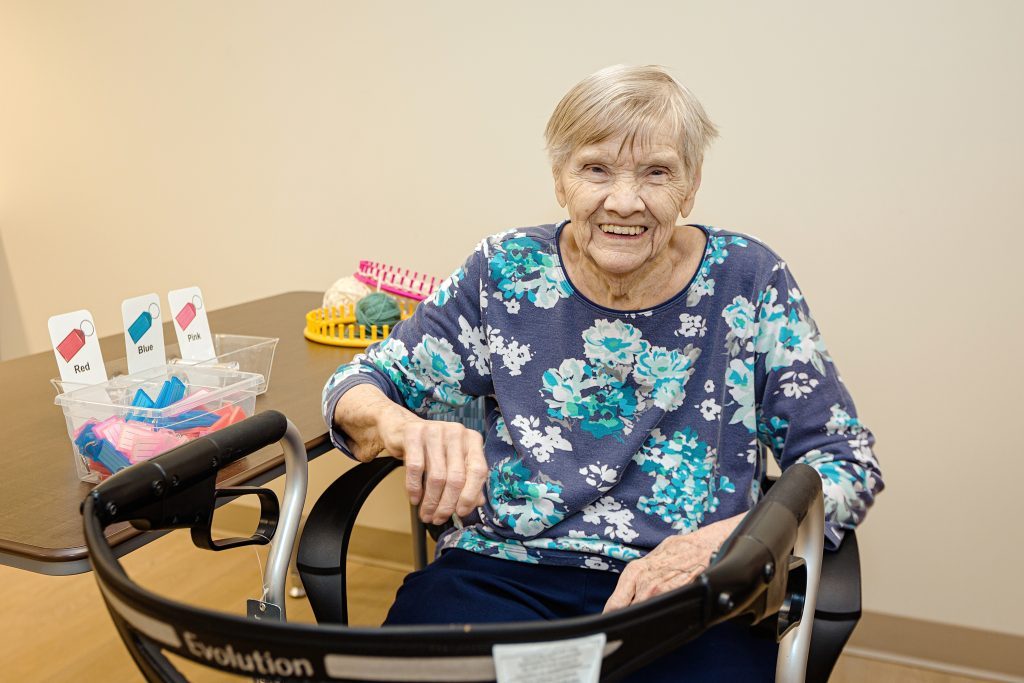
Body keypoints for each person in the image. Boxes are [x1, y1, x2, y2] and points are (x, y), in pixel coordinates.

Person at [322, 64, 883, 681]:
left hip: (689, 585)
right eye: (595, 169)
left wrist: (716, 546)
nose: (623, 200)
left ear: (691, 187)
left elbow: (842, 463)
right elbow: (358, 386)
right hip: (505, 572)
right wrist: (408, 430)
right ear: (560, 180)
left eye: (657, 173)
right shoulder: (505, 271)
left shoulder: (748, 279)